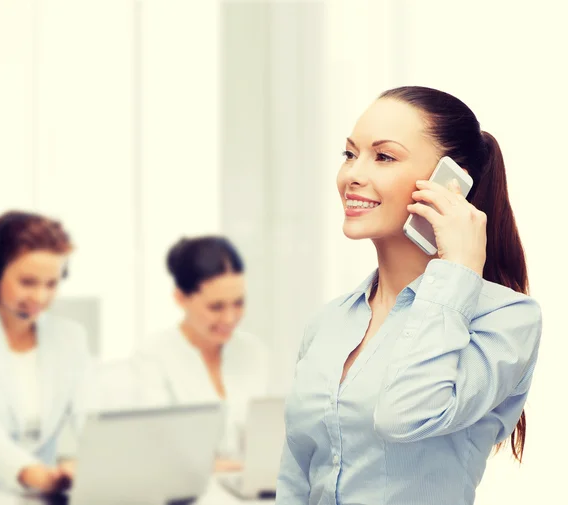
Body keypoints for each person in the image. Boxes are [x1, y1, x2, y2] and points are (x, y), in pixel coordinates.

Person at [276, 86, 542, 505]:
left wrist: (457, 270)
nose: (353, 175)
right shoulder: (328, 322)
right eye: (350, 154)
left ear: (453, 182)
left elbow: (406, 415)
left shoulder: (507, 319)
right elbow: (295, 476)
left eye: (383, 156)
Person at [0, 211, 93, 493]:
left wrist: (86, 465)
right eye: (27, 282)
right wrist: (35, 475)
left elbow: (91, 419)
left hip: (44, 497)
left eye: (51, 284)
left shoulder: (71, 337)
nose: (40, 297)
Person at [133, 236, 269, 471]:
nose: (229, 318)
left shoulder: (253, 352)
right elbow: (157, 454)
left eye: (238, 303)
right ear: (180, 298)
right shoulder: (153, 357)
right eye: (215, 307)